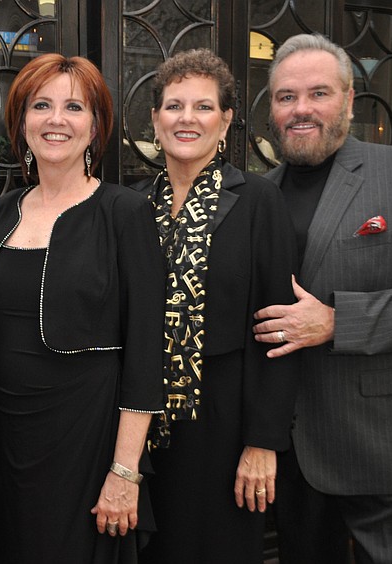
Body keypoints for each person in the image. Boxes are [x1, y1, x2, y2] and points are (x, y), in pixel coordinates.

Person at [254, 33, 392, 564]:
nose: (301, 109)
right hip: (295, 452)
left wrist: (336, 322)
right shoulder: (259, 194)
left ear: (349, 100)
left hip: (385, 448)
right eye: (286, 97)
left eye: (318, 93)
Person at [0, 53, 166, 564]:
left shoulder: (124, 212)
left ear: (95, 128)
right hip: (8, 440)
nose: (56, 120)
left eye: (74, 106)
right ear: (21, 122)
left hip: (88, 440)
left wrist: (124, 472)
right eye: (41, 105)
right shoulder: (3, 211)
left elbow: (144, 353)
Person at [131, 49, 300, 563]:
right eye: (173, 105)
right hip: (140, 431)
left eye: (203, 107)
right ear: (156, 119)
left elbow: (280, 328)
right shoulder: (131, 205)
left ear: (226, 121)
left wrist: (263, 442)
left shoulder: (258, 201)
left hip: (225, 431)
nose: (186, 118)